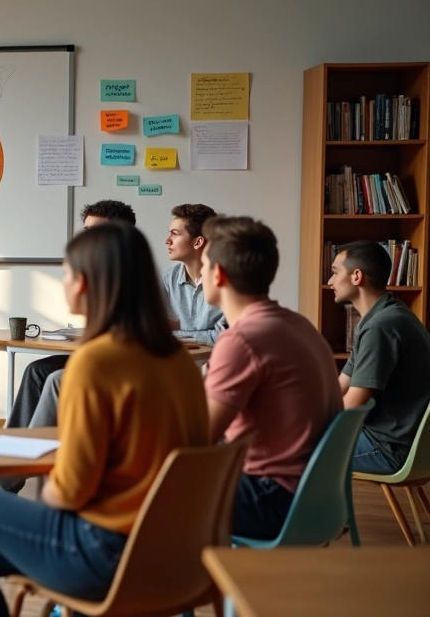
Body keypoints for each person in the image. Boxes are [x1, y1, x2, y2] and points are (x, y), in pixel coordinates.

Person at [0, 222, 209, 616]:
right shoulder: (180, 363)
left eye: (66, 271)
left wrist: (41, 491)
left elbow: (68, 493)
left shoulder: (96, 363)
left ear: (84, 282)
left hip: (103, 554)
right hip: (174, 555)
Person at [200, 216, 341, 539]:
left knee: (133, 490)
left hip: (271, 497)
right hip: (316, 497)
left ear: (218, 274)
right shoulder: (299, 325)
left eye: (204, 265)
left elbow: (198, 438)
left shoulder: (242, 340)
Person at [4, 200, 137, 431]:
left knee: (56, 378)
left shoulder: (129, 278)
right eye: (85, 230)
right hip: (106, 356)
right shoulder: (103, 274)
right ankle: (15, 440)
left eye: (94, 231)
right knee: (37, 370)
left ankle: (22, 446)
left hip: (122, 363)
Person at [329, 241, 430, 474]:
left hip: (387, 450)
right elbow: (339, 387)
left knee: (289, 450)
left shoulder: (381, 327)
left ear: (356, 276)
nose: (330, 281)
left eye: (335, 272)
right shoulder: (382, 317)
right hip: (395, 442)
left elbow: (353, 403)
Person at [163, 203, 226, 345]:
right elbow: (155, 330)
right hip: (180, 358)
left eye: (175, 234)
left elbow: (223, 336)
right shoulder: (167, 279)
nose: (167, 241)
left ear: (198, 242)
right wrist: (206, 335)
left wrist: (178, 333)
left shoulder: (227, 279)